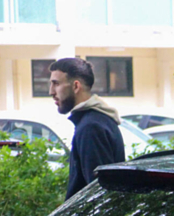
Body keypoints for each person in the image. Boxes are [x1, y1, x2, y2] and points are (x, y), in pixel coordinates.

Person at [48, 57, 125, 199]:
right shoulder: (98, 120)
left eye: (56, 84)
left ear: (76, 86)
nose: (51, 92)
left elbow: (100, 194)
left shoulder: (91, 128)